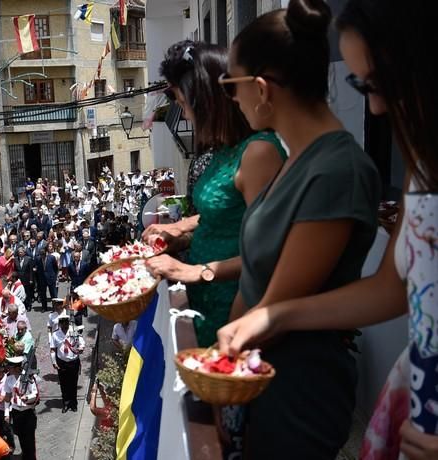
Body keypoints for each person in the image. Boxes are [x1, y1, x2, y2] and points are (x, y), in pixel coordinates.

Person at [214, 1, 438, 458]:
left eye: (377, 84)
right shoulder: (422, 167)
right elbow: (394, 289)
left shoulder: (338, 169)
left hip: (300, 388)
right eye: (359, 85)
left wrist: (272, 315)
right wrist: (273, 315)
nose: (374, 107)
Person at [195, 1, 379, 457]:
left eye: (231, 85)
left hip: (297, 390)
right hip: (256, 376)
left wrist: (220, 371)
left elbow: (276, 307)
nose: (231, 100)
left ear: (261, 89)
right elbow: (257, 281)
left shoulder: (336, 170)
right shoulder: (294, 158)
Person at [143, 41, 287, 347]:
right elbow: (223, 219)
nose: (186, 115)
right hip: (205, 299)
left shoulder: (259, 153)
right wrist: (180, 234)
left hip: (233, 307)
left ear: (207, 102)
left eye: (184, 105)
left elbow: (267, 258)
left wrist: (193, 271)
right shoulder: (226, 149)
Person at [3, 356, 38, 460]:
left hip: (27, 412)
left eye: (10, 367)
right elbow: (7, 397)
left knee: (29, 440)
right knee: (21, 437)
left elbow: (35, 394)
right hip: (16, 412)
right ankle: (25, 456)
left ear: (17, 368)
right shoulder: (9, 379)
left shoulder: (29, 378)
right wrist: (6, 413)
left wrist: (27, 397)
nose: (8, 369)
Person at [50, 312, 85, 413]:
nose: (64, 325)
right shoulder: (55, 334)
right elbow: (53, 349)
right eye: (62, 322)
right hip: (62, 362)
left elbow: (81, 341)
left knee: (73, 383)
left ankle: (73, 403)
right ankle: (66, 403)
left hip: (73, 361)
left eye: (66, 322)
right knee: (64, 384)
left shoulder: (74, 330)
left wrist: (81, 348)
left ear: (68, 322)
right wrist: (54, 362)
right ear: (60, 324)